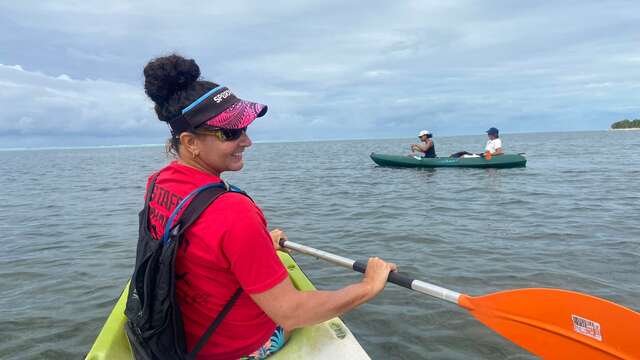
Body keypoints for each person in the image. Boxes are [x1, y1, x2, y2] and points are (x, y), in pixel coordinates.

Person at [141, 54, 397, 359]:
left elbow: (199, 248)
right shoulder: (233, 212)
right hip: (233, 349)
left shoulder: (158, 182)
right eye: (230, 133)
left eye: (245, 128)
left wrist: (259, 246)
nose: (247, 141)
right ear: (190, 141)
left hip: (178, 335)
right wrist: (367, 287)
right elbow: (291, 313)